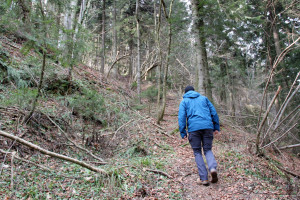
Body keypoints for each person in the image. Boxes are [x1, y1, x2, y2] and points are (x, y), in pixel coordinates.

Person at [178, 85, 220, 186]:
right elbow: (213, 113)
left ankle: (204, 179)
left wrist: (183, 132)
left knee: (197, 152)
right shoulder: (204, 98)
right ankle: (212, 168)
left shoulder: (184, 101)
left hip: (194, 129)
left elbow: (181, 117)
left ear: (185, 93)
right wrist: (216, 127)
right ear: (194, 91)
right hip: (207, 127)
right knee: (208, 150)